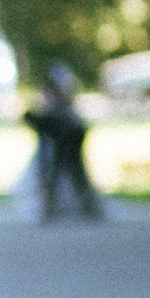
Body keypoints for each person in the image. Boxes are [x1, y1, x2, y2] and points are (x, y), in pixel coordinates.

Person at [22, 62, 101, 221]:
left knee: (66, 174)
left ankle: (58, 207)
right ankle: (55, 207)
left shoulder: (62, 104)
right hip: (60, 140)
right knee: (61, 174)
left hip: (67, 139)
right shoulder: (57, 103)